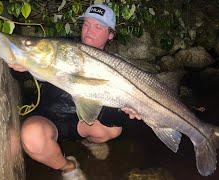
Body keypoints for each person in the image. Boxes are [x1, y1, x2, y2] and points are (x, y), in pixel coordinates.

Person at [8, 4, 141, 180]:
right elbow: (23, 76)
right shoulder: (63, 45)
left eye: (98, 27)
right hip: (48, 118)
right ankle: (68, 166)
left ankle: (88, 142)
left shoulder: (116, 67)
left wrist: (126, 110)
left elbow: (111, 116)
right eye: (86, 24)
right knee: (32, 137)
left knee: (114, 130)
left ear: (110, 34)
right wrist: (20, 68)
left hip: (81, 122)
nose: (89, 31)